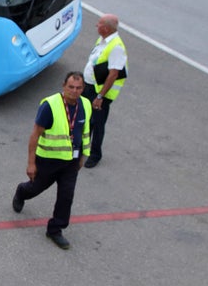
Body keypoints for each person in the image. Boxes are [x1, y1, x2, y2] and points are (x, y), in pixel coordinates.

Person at [12, 72, 91, 250]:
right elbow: (35, 136)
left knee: (66, 196)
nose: (74, 91)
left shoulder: (85, 105)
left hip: (71, 162)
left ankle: (55, 229)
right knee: (35, 188)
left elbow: (85, 132)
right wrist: (31, 163)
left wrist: (83, 156)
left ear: (83, 89)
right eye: (71, 87)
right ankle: (21, 192)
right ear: (64, 86)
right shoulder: (50, 106)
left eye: (78, 88)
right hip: (49, 160)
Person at [81, 13, 127, 168]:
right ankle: (83, 147)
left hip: (99, 93)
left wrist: (100, 96)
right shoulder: (103, 40)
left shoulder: (116, 47)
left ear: (106, 28)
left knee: (97, 123)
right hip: (88, 86)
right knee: (86, 119)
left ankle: (95, 155)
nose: (96, 25)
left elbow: (114, 74)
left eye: (99, 23)